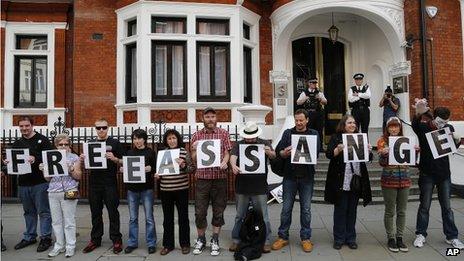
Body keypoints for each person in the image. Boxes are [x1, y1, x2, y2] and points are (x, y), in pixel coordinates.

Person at [411, 100, 464, 249]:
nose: (443, 124)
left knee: (447, 207)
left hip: (444, 174)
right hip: (427, 172)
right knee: (424, 206)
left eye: (445, 121)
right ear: (434, 118)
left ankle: (452, 236)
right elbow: (415, 125)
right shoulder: (424, 127)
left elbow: (452, 148)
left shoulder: (449, 128)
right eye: (440, 121)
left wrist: (457, 140)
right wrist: (419, 113)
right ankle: (420, 234)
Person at [271, 109, 321, 253]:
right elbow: (278, 151)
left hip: (307, 177)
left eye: (301, 120)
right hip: (289, 177)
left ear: (307, 120)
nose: (298, 123)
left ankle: (306, 238)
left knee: (306, 209)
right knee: (286, 209)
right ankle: (282, 237)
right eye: (296, 120)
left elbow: (316, 152)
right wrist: (283, 153)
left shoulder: (314, 134)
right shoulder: (288, 133)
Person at [324, 115, 372, 250]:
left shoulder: (360, 137)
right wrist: (338, 149)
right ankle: (339, 238)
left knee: (352, 210)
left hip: (356, 180)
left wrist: (368, 151)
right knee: (340, 210)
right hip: (341, 180)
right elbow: (328, 154)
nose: (352, 125)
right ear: (343, 124)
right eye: (349, 122)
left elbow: (368, 159)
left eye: (354, 123)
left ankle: (351, 238)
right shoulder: (336, 137)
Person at [7, 116, 53, 252]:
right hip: (23, 183)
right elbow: (13, 162)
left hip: (40, 182)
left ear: (32, 125)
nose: (24, 128)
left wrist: (36, 158)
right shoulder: (17, 143)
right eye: (21, 126)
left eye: (26, 125)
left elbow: (50, 157)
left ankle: (46, 238)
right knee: (28, 212)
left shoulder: (43, 140)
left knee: (44, 211)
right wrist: (7, 164)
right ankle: (30, 236)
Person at [229, 121, 275, 254]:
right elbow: (233, 156)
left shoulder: (264, 142)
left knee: (263, 216)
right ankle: (236, 239)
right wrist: (233, 165)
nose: (249, 139)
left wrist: (269, 152)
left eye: (252, 137)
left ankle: (265, 241)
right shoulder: (239, 144)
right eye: (247, 137)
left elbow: (274, 156)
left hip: (259, 185)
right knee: (239, 215)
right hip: (242, 185)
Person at [190, 107, 231, 256]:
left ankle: (215, 239)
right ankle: (201, 239)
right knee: (200, 212)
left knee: (218, 210)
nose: (210, 119)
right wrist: (194, 150)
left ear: (216, 118)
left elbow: (227, 153)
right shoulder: (196, 136)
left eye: (213, 116)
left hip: (219, 178)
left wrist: (225, 162)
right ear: (203, 119)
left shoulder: (224, 133)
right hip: (202, 179)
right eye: (207, 117)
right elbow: (193, 158)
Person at [81, 118, 125, 254]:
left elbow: (125, 161)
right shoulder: (90, 144)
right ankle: (95, 239)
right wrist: (82, 160)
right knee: (95, 212)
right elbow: (84, 167)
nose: (101, 130)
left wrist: (115, 159)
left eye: (104, 127)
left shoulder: (115, 143)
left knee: (113, 212)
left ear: (108, 128)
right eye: (98, 128)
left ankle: (116, 239)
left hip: (110, 182)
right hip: (94, 182)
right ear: (95, 129)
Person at [40, 134, 82, 258]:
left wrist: (71, 170)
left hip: (70, 190)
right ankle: (59, 245)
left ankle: (70, 246)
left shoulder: (74, 157)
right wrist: (44, 170)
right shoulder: (50, 157)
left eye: (66, 144)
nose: (63, 146)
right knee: (56, 221)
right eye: (60, 144)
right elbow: (47, 179)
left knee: (69, 220)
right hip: (53, 191)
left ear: (69, 145)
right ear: (56, 145)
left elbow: (79, 176)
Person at [156, 129, 194, 255]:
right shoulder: (162, 153)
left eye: (174, 138)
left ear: (178, 139)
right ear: (166, 140)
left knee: (183, 217)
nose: (172, 141)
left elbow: (192, 169)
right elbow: (159, 171)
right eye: (169, 138)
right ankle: (168, 245)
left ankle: (185, 244)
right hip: (166, 190)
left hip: (181, 189)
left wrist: (183, 165)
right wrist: (157, 175)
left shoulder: (183, 151)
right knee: (167, 218)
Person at [377, 117, 411, 253]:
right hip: (389, 180)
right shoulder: (382, 141)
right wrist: (383, 154)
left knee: (402, 211)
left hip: (405, 180)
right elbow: (382, 163)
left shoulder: (406, 140)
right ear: (387, 128)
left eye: (396, 126)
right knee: (390, 211)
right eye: (390, 126)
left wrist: (415, 151)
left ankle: (400, 237)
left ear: (400, 127)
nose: (393, 129)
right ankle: (391, 237)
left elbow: (411, 160)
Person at [122, 129, 157, 254]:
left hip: (146, 189)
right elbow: (127, 168)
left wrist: (151, 169)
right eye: (135, 138)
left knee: (149, 218)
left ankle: (151, 243)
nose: (137, 141)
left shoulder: (150, 152)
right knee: (133, 218)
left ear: (144, 139)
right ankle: (132, 242)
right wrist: (123, 169)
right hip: (132, 189)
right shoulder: (129, 152)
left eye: (139, 138)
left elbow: (156, 168)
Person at [296, 78, 327, 148]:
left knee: (319, 130)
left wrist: (320, 98)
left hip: (318, 113)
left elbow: (325, 102)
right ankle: (308, 146)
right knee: (308, 129)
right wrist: (305, 98)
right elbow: (298, 102)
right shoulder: (304, 93)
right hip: (309, 113)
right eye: (313, 83)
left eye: (315, 83)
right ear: (309, 84)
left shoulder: (319, 92)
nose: (314, 85)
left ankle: (319, 146)